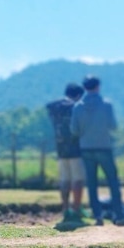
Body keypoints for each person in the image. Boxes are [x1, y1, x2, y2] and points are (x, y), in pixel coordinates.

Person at [70, 75, 124, 226]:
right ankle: (119, 215)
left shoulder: (78, 106)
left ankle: (98, 216)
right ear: (98, 87)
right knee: (113, 181)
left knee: (92, 183)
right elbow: (113, 126)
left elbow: (74, 130)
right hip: (104, 146)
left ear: (85, 88)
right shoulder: (106, 104)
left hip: (86, 148)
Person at [46, 83, 85, 223]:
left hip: (60, 148)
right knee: (78, 180)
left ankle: (65, 208)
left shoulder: (54, 107)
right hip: (76, 148)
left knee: (64, 180)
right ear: (78, 95)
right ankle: (76, 209)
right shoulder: (76, 106)